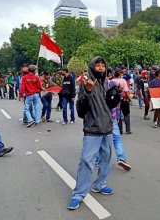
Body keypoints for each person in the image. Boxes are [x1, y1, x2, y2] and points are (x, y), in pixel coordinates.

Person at [68, 56, 114, 210]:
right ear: (91, 67)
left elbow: (106, 106)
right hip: (92, 130)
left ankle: (100, 184)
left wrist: (116, 98)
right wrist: (87, 91)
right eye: (97, 65)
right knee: (87, 162)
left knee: (106, 159)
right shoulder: (85, 84)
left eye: (103, 65)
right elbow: (80, 111)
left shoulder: (103, 84)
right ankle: (78, 194)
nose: (100, 67)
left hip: (107, 128)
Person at [108, 77, 132, 171]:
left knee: (101, 140)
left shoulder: (100, 84)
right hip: (111, 117)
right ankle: (121, 158)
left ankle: (98, 159)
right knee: (117, 139)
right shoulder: (112, 84)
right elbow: (117, 104)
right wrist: (118, 117)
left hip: (102, 118)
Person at [112, 69, 132, 134]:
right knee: (126, 114)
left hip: (115, 100)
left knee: (118, 115)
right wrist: (130, 99)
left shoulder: (111, 81)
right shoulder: (123, 80)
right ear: (120, 74)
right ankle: (128, 129)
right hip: (124, 100)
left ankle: (120, 130)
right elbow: (126, 91)